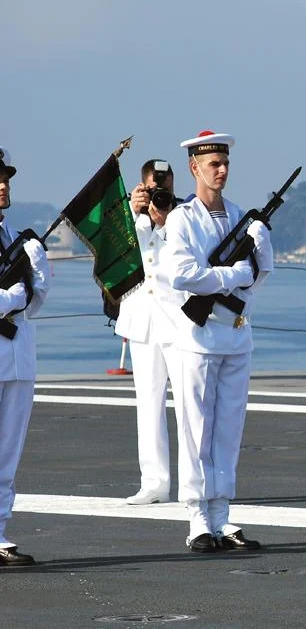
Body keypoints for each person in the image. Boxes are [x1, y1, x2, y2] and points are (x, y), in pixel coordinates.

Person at [159, 130, 273, 553]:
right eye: (213, 164)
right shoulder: (182, 218)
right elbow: (182, 274)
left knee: (228, 429)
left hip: (237, 334)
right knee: (196, 429)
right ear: (194, 167)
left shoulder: (240, 215)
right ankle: (197, 519)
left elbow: (258, 277)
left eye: (225, 163)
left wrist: (262, 253)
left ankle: (222, 514)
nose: (221, 170)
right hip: (199, 337)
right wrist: (231, 275)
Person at [117, 159, 182, 505]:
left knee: (189, 406)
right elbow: (113, 251)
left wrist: (165, 219)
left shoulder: (184, 216)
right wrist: (134, 210)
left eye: (166, 187)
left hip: (180, 322)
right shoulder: (130, 221)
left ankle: (194, 483)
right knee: (148, 404)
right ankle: (154, 483)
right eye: (154, 188)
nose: (161, 194)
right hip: (142, 322)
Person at [0, 146, 50, 566]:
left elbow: (33, 304)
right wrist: (13, 297)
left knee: (7, 455)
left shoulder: (14, 237)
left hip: (17, 356)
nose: (3, 185)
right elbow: (16, 299)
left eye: (5, 178)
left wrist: (39, 275)